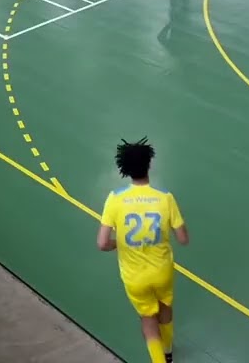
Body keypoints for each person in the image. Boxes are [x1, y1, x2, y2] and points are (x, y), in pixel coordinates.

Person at [97, 137, 188, 363]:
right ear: (149, 164)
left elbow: (102, 243)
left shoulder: (115, 199)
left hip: (134, 277)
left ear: (125, 169)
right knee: (165, 308)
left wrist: (118, 244)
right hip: (162, 271)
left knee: (148, 321)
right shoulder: (165, 198)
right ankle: (168, 351)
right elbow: (183, 238)